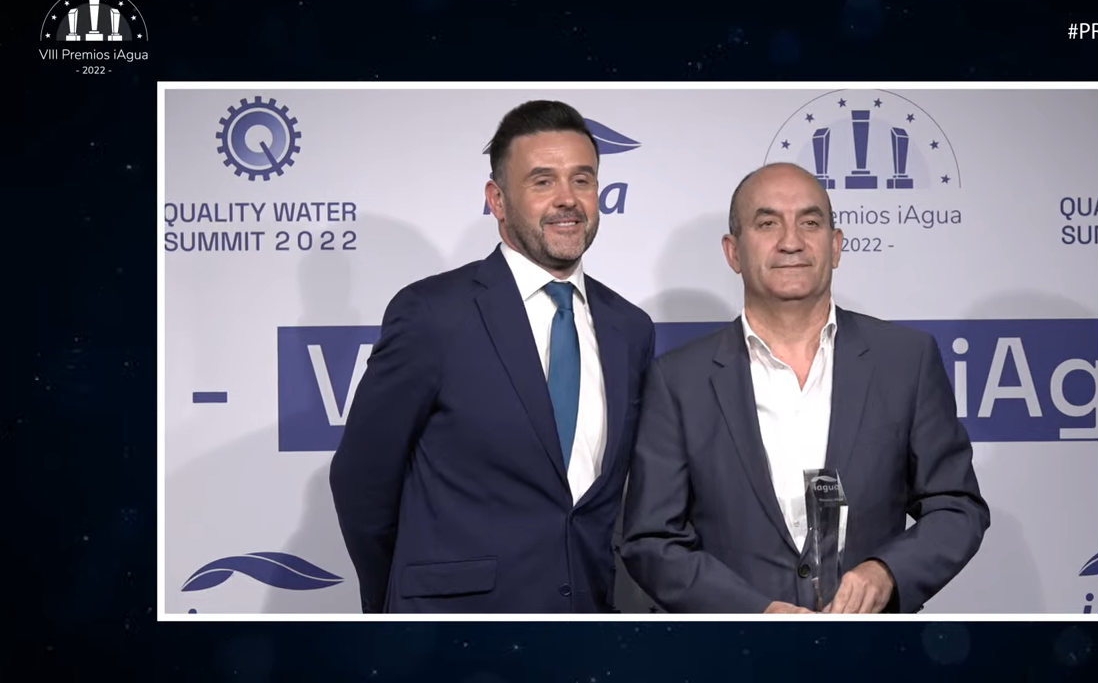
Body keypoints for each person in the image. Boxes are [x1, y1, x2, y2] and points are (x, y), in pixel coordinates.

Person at [330, 100, 655, 613]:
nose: (567, 199)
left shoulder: (630, 328)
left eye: (582, 180)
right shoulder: (431, 315)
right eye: (542, 181)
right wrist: (394, 604)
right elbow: (361, 480)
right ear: (497, 200)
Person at [619, 162, 989, 614]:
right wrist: (754, 612)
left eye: (810, 223)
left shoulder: (906, 361)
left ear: (835, 246)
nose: (791, 241)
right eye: (767, 224)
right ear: (733, 252)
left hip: (870, 645)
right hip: (736, 647)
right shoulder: (679, 380)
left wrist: (887, 572)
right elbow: (652, 540)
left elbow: (957, 507)